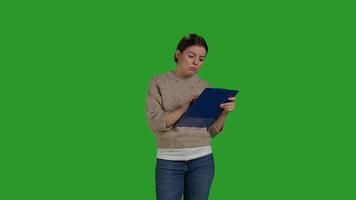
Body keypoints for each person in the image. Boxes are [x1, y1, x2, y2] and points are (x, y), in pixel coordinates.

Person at [146, 33, 236, 200]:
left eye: (201, 59)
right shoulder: (158, 82)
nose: (196, 62)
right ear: (178, 54)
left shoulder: (205, 86)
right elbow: (155, 123)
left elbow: (212, 131)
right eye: (191, 56)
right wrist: (185, 108)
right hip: (169, 162)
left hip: (202, 161)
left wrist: (225, 112)